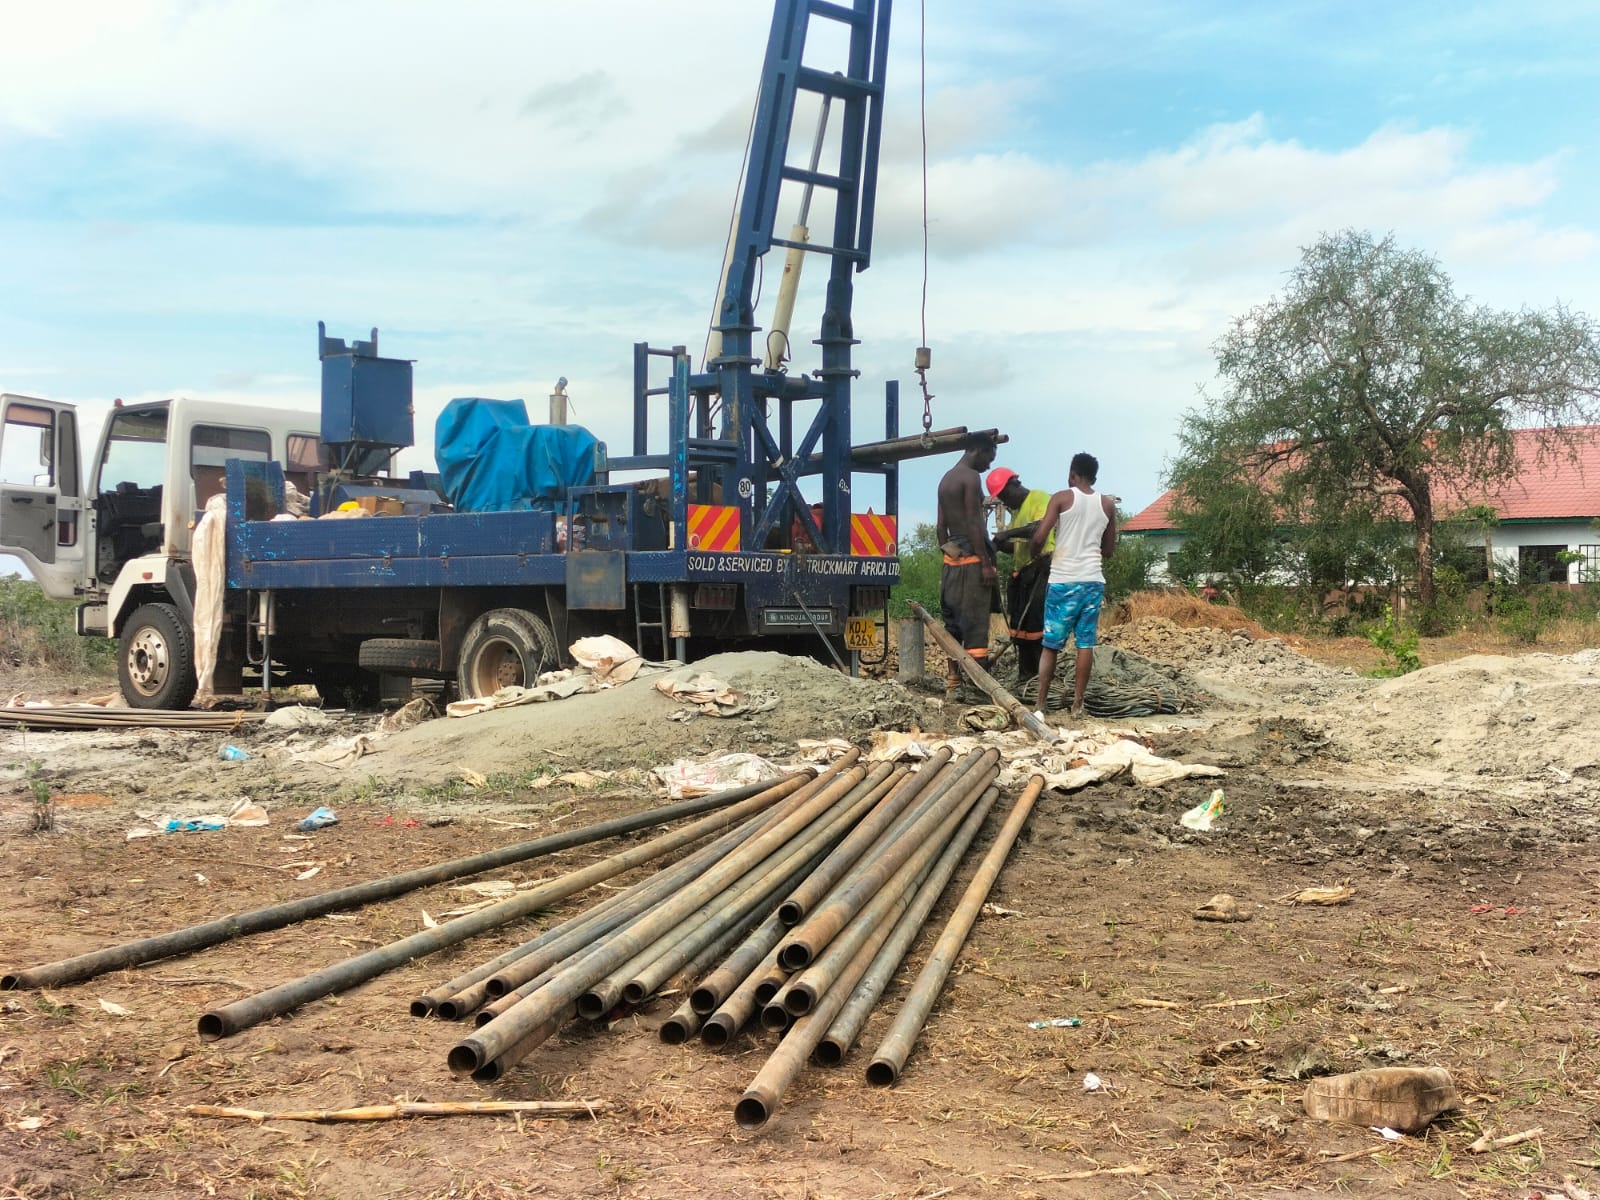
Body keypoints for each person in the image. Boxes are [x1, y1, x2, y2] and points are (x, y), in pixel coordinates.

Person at [1030, 451, 1117, 717]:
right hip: (1092, 581)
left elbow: (1040, 537)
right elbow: (1109, 550)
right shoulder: (1108, 505)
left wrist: (1036, 555)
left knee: (1051, 644)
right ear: (1094, 475)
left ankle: (1040, 705)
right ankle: (1077, 705)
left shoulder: (1061, 498)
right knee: (1085, 643)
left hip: (1063, 581)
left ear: (1072, 474)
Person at [935, 433, 998, 696]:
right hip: (972, 560)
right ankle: (977, 689)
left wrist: (949, 554)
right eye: (989, 458)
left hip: (951, 562)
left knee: (954, 627)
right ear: (977, 450)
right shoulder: (971, 478)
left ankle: (954, 684)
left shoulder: (945, 479)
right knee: (975, 627)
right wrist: (984, 562)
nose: (989, 465)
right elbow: (974, 521)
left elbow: (940, 527)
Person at [985, 466, 1054, 688]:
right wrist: (999, 544)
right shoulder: (1016, 513)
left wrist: (1009, 533)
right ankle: (1026, 675)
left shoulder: (1039, 498)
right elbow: (1017, 548)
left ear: (1014, 484)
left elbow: (1039, 528)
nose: (1006, 502)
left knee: (1035, 626)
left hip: (1042, 569)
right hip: (1024, 575)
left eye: (1005, 496)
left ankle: (1039, 678)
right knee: (1020, 630)